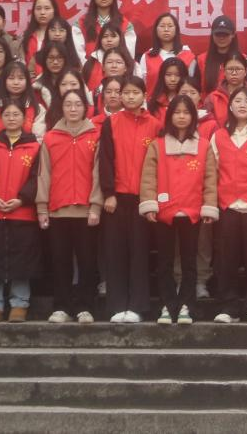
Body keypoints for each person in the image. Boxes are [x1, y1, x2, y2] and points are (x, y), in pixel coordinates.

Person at [140, 95, 219, 325]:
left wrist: (208, 207)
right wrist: (149, 203)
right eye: (177, 112)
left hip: (192, 212)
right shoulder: (157, 145)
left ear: (193, 116)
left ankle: (187, 304)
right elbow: (148, 178)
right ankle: (167, 304)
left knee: (189, 262)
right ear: (169, 116)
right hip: (164, 211)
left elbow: (210, 179)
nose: (181, 116)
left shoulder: (203, 146)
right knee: (164, 261)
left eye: (186, 112)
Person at [97, 75, 161, 323]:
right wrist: (109, 193)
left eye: (136, 92)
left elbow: (158, 164)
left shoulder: (154, 125)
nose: (131, 97)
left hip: (143, 199)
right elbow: (105, 160)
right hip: (117, 197)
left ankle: (137, 306)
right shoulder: (111, 122)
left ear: (145, 95)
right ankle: (116, 306)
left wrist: (152, 198)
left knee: (139, 252)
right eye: (126, 93)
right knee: (115, 252)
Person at [0, 100, 42, 323]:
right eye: (7, 115)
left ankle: (19, 303)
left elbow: (37, 178)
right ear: (0, 119)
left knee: (22, 259)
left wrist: (21, 199)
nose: (12, 118)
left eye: (16, 114)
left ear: (25, 118)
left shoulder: (35, 148)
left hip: (23, 213)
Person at [37, 89, 102, 324]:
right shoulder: (51, 137)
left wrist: (96, 205)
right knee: (60, 261)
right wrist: (42, 207)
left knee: (87, 261)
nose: (73, 109)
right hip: (58, 209)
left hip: (86, 210)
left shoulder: (95, 135)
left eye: (77, 104)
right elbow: (44, 173)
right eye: (68, 104)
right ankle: (61, 306)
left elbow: (98, 173)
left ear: (85, 108)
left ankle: (85, 306)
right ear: (61, 108)